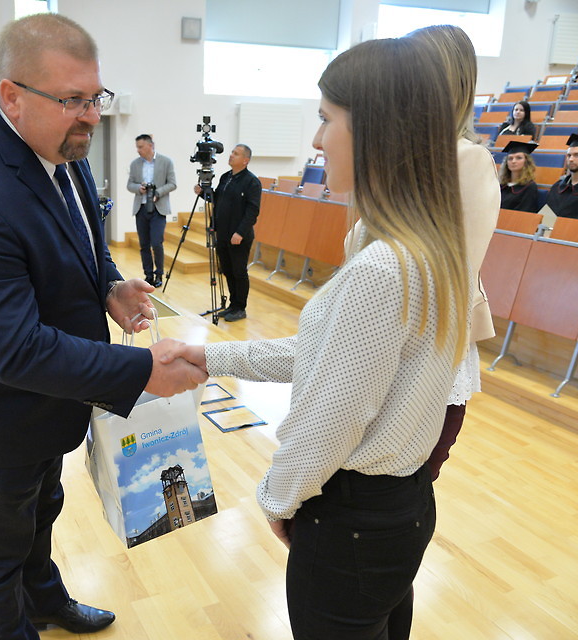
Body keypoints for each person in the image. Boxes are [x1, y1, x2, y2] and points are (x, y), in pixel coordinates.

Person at [0, 14, 206, 640]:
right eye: (73, 100)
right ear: (12, 96)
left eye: (96, 97)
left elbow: (79, 238)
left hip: (52, 395)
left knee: (42, 509)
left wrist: (109, 286)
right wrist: (142, 370)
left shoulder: (60, 148)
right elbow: (14, 350)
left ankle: (45, 602)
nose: (92, 117)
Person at [186, 33, 469, 640]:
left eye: (325, 119)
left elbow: (331, 417)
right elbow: (325, 356)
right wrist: (208, 355)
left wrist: (279, 498)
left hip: (354, 520)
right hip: (401, 507)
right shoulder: (427, 245)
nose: (316, 141)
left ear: (376, 130)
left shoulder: (383, 266)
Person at [407, 23, 500, 484]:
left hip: (426, 353)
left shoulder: (468, 159)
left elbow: (456, 273)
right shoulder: (399, 156)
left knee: (403, 494)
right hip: (388, 346)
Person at [193, 144, 262, 322]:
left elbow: (252, 211)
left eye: (236, 154)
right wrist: (203, 193)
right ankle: (233, 304)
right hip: (222, 233)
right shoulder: (226, 177)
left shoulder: (252, 182)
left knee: (239, 272)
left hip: (238, 236)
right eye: (232, 152)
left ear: (245, 160)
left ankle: (240, 307)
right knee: (227, 270)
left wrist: (240, 232)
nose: (231, 155)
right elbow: (217, 199)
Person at [126, 134, 176, 287]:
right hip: (141, 208)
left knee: (156, 243)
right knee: (144, 244)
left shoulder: (166, 162)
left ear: (150, 145)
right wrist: (138, 188)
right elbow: (130, 185)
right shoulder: (135, 164)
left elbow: (172, 184)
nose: (138, 150)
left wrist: (157, 192)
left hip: (158, 208)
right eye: (137, 147)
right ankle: (148, 275)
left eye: (140, 147)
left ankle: (159, 274)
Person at [499, 141, 540, 213]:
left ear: (526, 161)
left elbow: (524, 212)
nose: (513, 161)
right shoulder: (501, 185)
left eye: (519, 158)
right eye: (510, 158)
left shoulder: (529, 187)